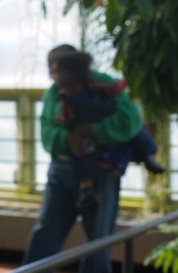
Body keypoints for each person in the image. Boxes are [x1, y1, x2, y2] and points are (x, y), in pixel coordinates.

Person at [22, 44, 144, 273]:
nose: (53, 74)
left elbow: (130, 122)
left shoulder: (106, 86)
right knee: (47, 230)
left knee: (99, 234)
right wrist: (68, 139)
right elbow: (46, 133)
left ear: (73, 68)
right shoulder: (54, 93)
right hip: (62, 171)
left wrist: (94, 131)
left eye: (57, 68)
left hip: (99, 171)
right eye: (50, 68)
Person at [52, 48, 164, 212]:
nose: (53, 76)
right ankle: (86, 188)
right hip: (88, 140)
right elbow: (63, 116)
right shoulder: (63, 94)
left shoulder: (97, 83)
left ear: (72, 71)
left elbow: (128, 116)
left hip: (108, 122)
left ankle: (148, 156)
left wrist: (98, 128)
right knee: (79, 154)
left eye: (57, 72)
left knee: (137, 133)